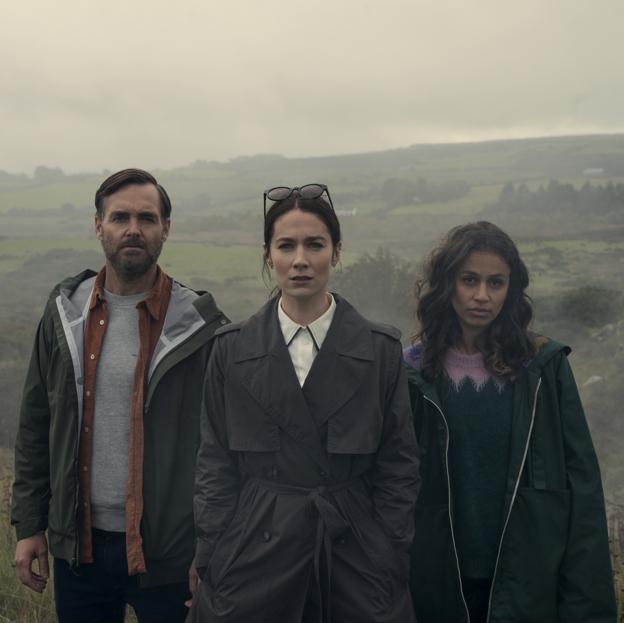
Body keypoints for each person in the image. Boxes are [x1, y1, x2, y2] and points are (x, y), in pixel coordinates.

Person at [187, 184, 419, 622]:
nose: (300, 260)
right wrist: (213, 554)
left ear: (335, 253)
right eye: (286, 245)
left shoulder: (380, 350)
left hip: (354, 554)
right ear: (267, 254)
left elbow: (399, 464)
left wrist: (388, 549)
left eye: (315, 245)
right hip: (253, 552)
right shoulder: (231, 350)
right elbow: (214, 463)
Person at [11, 168, 228, 623]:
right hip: (81, 549)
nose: (133, 229)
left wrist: (211, 547)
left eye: (147, 218)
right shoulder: (64, 315)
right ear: (98, 225)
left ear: (165, 229)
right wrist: (30, 525)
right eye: (120, 217)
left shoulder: (200, 327)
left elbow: (222, 449)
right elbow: (37, 424)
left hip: (169, 553)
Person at [403, 221, 616, 622]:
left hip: (527, 588)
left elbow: (581, 491)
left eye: (496, 283)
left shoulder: (543, 369)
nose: (482, 295)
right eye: (469, 280)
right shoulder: (412, 374)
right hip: (437, 589)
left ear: (511, 290)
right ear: (447, 284)